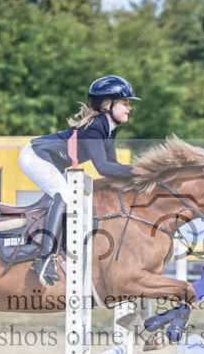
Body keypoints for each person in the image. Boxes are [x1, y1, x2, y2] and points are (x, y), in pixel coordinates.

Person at [18, 75, 139, 286]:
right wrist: (142, 170)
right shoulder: (96, 126)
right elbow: (103, 167)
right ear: (107, 104)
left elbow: (113, 167)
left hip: (51, 161)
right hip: (34, 156)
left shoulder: (108, 128)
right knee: (64, 196)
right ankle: (43, 259)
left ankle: (70, 254)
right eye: (125, 103)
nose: (129, 108)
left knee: (82, 206)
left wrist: (138, 174)